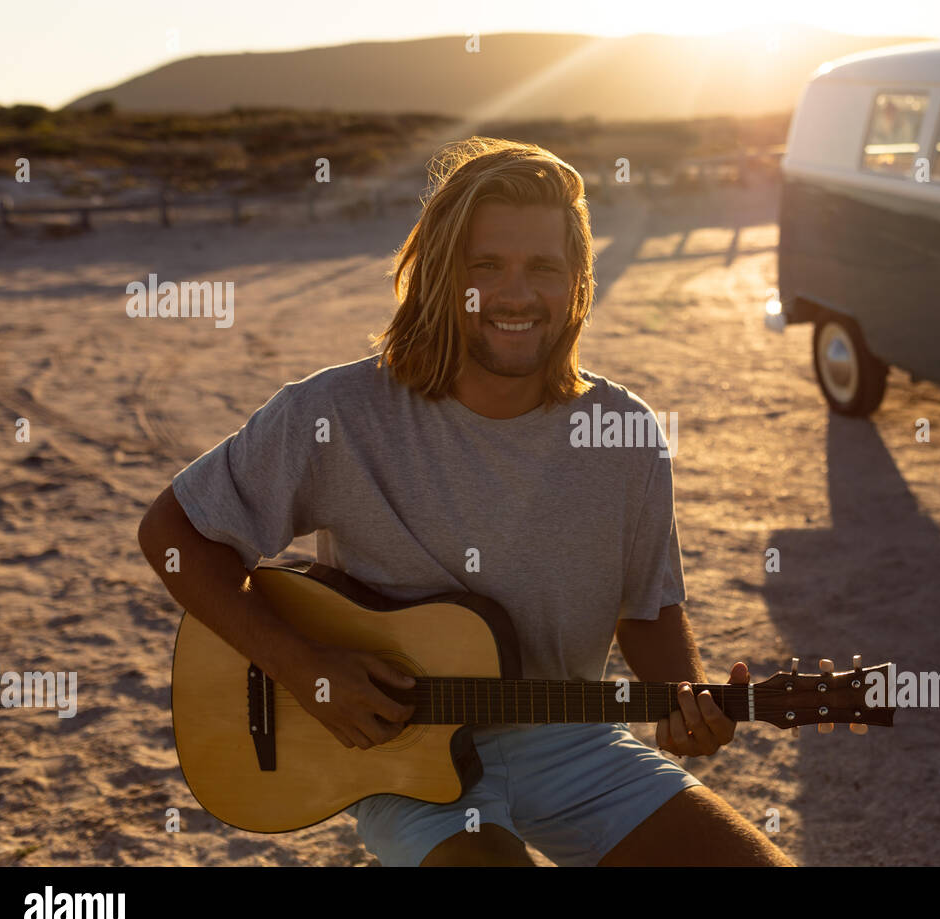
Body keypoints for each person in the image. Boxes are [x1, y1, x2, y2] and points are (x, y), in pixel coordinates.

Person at [138, 136, 793, 867]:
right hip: (402, 762)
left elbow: (648, 608)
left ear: (577, 281)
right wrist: (303, 667)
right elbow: (171, 532)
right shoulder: (336, 413)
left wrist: (685, 700)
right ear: (443, 277)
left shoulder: (623, 431)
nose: (516, 294)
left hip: (574, 740)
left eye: (543, 268)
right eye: (487, 267)